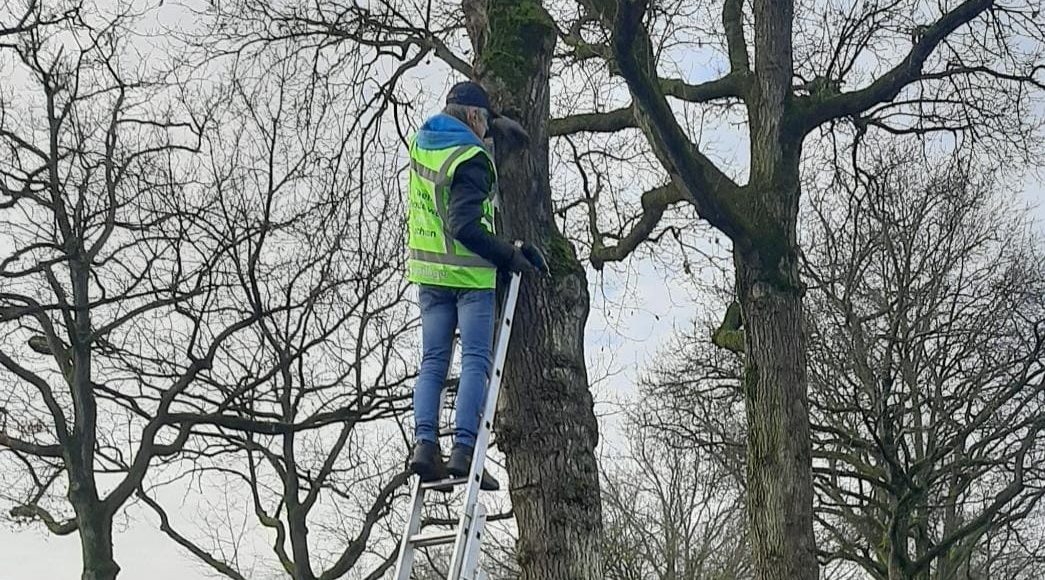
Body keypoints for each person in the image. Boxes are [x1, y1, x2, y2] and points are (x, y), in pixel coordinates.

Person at [405, 81, 548, 491]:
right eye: (484, 123)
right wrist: (508, 254)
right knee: (475, 363)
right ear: (472, 116)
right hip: (468, 275)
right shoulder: (472, 159)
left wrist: (497, 129)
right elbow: (464, 225)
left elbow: (444, 202)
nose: (486, 133)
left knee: (433, 361)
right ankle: (465, 451)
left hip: (429, 273)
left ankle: (425, 447)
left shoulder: (424, 143)